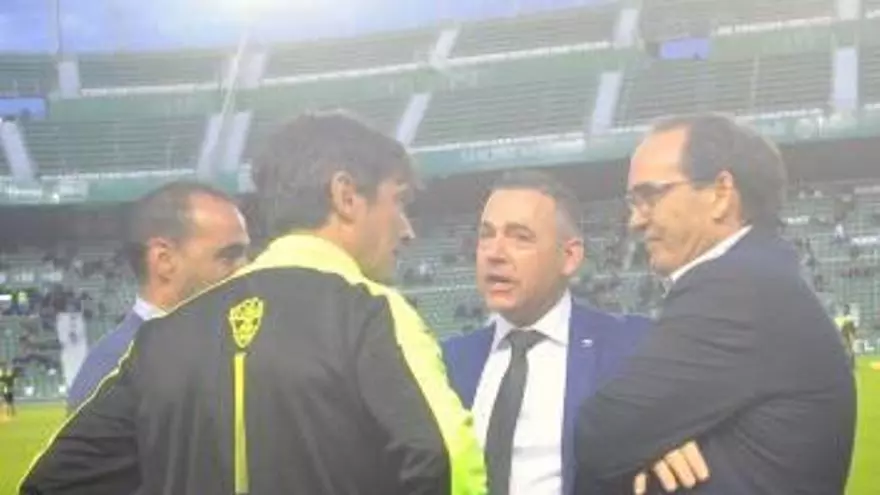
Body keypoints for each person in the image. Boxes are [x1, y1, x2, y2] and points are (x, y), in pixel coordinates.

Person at [20, 111, 486, 495]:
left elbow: (53, 483)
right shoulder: (370, 311)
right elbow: (446, 460)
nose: (407, 229)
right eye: (398, 201)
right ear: (346, 196)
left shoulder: (163, 338)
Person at [575, 113, 856, 494]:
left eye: (650, 196)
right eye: (633, 201)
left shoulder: (736, 286)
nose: (634, 221)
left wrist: (640, 447)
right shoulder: (759, 275)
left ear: (720, 193)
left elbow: (600, 433)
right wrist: (653, 444)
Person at [443, 170, 701, 495]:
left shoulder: (633, 347)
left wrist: (671, 438)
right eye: (486, 235)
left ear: (569, 257)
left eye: (520, 237)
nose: (494, 253)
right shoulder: (446, 361)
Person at [65, 181, 251, 412]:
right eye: (228, 256)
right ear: (164, 261)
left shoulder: (222, 349)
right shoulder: (113, 368)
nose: (246, 269)